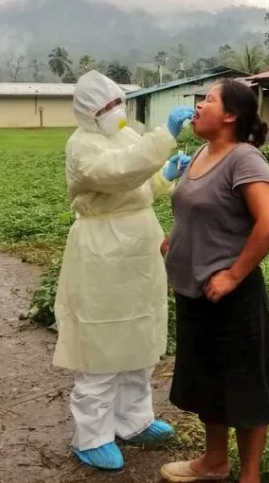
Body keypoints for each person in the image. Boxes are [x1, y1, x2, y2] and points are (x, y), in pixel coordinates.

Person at [52, 70, 195, 471]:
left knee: (139, 335)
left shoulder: (127, 135)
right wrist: (164, 137)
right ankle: (92, 435)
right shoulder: (81, 146)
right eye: (106, 106)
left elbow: (140, 183)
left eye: (118, 102)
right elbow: (118, 173)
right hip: (102, 249)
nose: (115, 111)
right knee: (102, 343)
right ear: (87, 112)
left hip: (140, 244)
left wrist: (165, 176)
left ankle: (133, 420)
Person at [160, 79, 269, 483]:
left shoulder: (244, 159)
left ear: (230, 115)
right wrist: (174, 240)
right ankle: (214, 461)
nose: (198, 106)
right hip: (194, 292)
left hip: (232, 299)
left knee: (244, 387)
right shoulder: (202, 152)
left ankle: (250, 476)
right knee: (208, 381)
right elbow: (197, 211)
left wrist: (232, 274)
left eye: (208, 100)